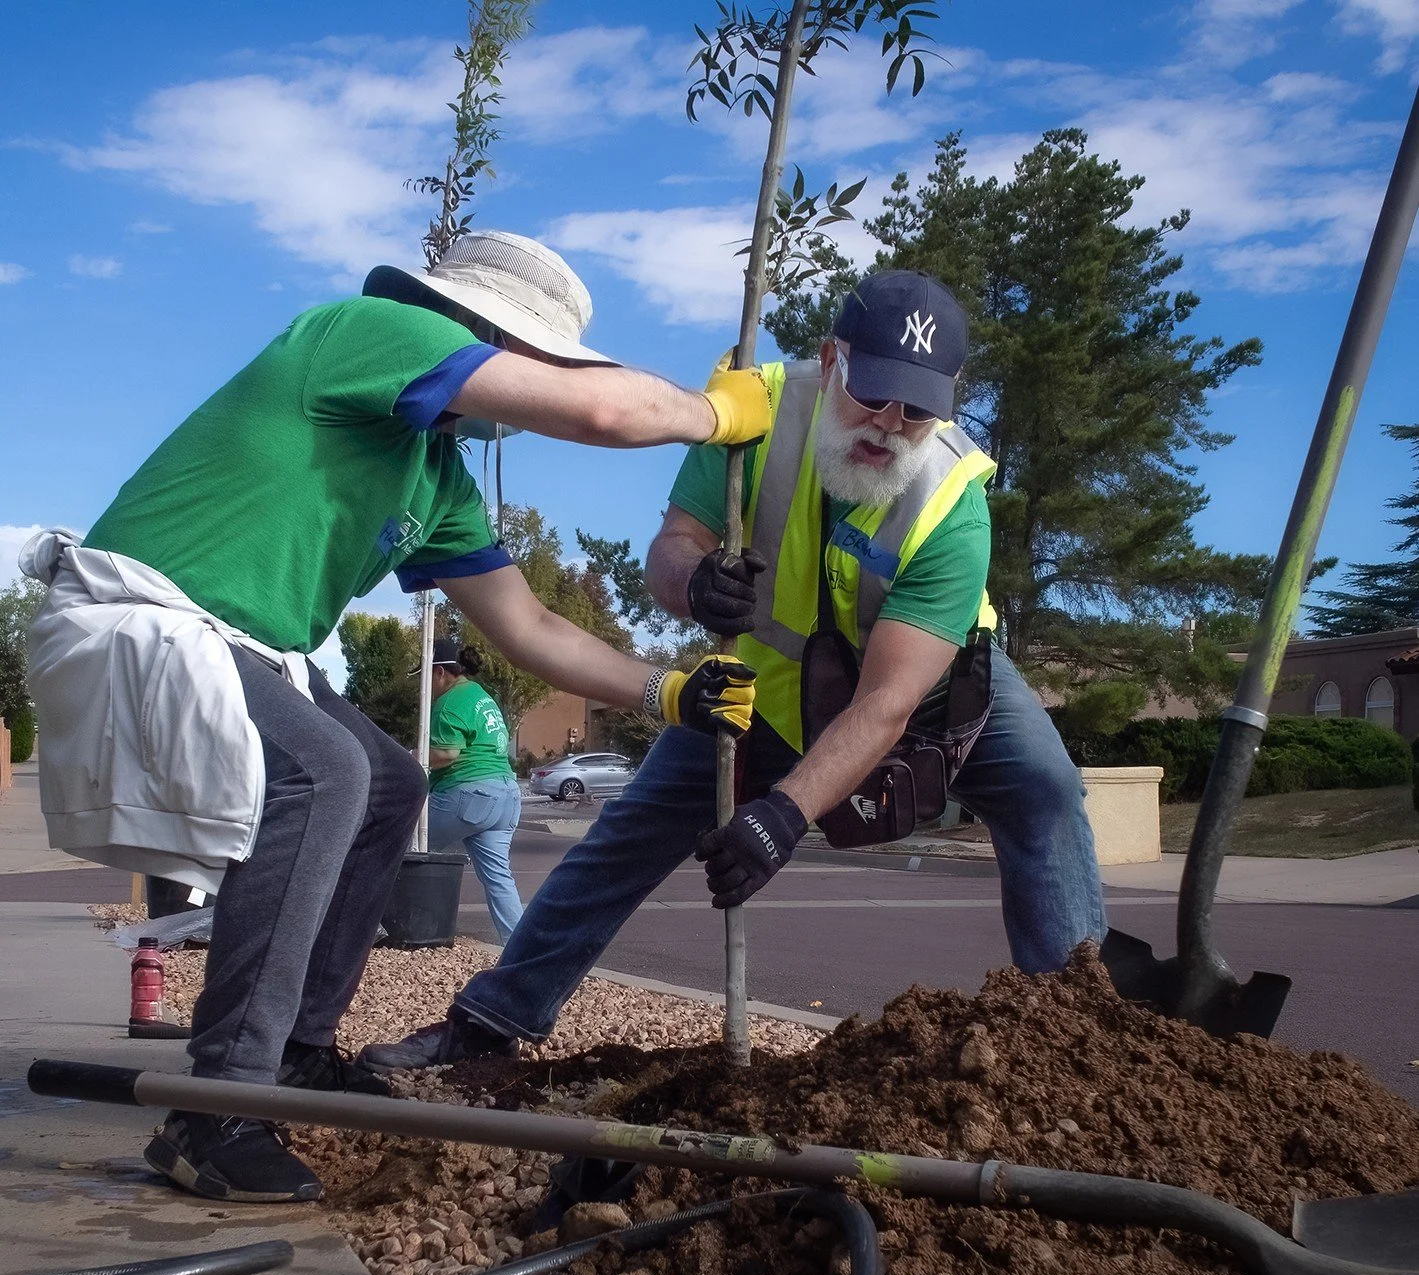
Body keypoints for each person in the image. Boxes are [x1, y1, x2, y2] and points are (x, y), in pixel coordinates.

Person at [22, 230, 766, 1203]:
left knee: (387, 783)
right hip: (142, 613)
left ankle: (292, 1057)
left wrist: (667, 689)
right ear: (476, 332)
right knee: (325, 771)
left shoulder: (436, 476)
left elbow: (528, 624)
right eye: (524, 357)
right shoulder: (365, 331)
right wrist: (714, 415)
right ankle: (216, 1114)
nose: (523, 388)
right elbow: (598, 406)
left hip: (247, 650)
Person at [359, 270, 1108, 1075]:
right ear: (831, 360)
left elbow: (888, 701)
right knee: (628, 834)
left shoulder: (951, 500)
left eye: (918, 409)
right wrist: (694, 580)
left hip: (935, 688)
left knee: (1045, 789)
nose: (889, 425)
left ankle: (1073, 1042)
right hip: (757, 693)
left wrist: (783, 816)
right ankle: (490, 1021)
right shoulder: (754, 410)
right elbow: (668, 552)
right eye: (872, 393)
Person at [420, 638, 523, 943]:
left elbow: (447, 753)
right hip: (506, 795)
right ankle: (518, 948)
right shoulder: (482, 696)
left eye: (427, 675)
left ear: (440, 672)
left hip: (469, 794)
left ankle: (378, 926)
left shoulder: (450, 701)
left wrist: (412, 755)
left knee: (397, 844)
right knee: (498, 878)